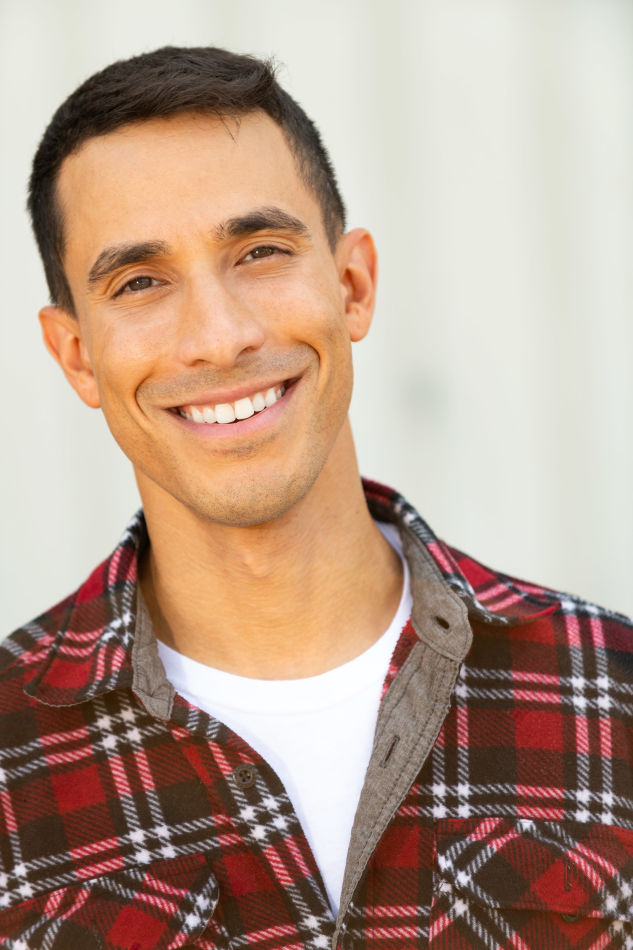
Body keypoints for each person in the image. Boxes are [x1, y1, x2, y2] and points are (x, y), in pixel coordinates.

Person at [1, 45, 632, 950]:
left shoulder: (611, 696)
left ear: (351, 286)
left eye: (259, 252)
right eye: (140, 282)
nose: (219, 336)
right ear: (76, 357)